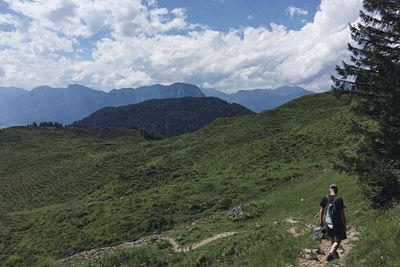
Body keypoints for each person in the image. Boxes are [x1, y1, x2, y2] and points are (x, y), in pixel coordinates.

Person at [319, 184, 347, 262]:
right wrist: (344, 224)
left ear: (329, 190)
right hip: (337, 223)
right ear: (336, 190)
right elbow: (342, 214)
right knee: (338, 240)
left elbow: (321, 211)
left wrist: (321, 221)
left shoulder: (325, 198)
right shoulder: (339, 199)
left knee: (332, 238)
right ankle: (331, 253)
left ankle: (334, 255)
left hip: (327, 222)